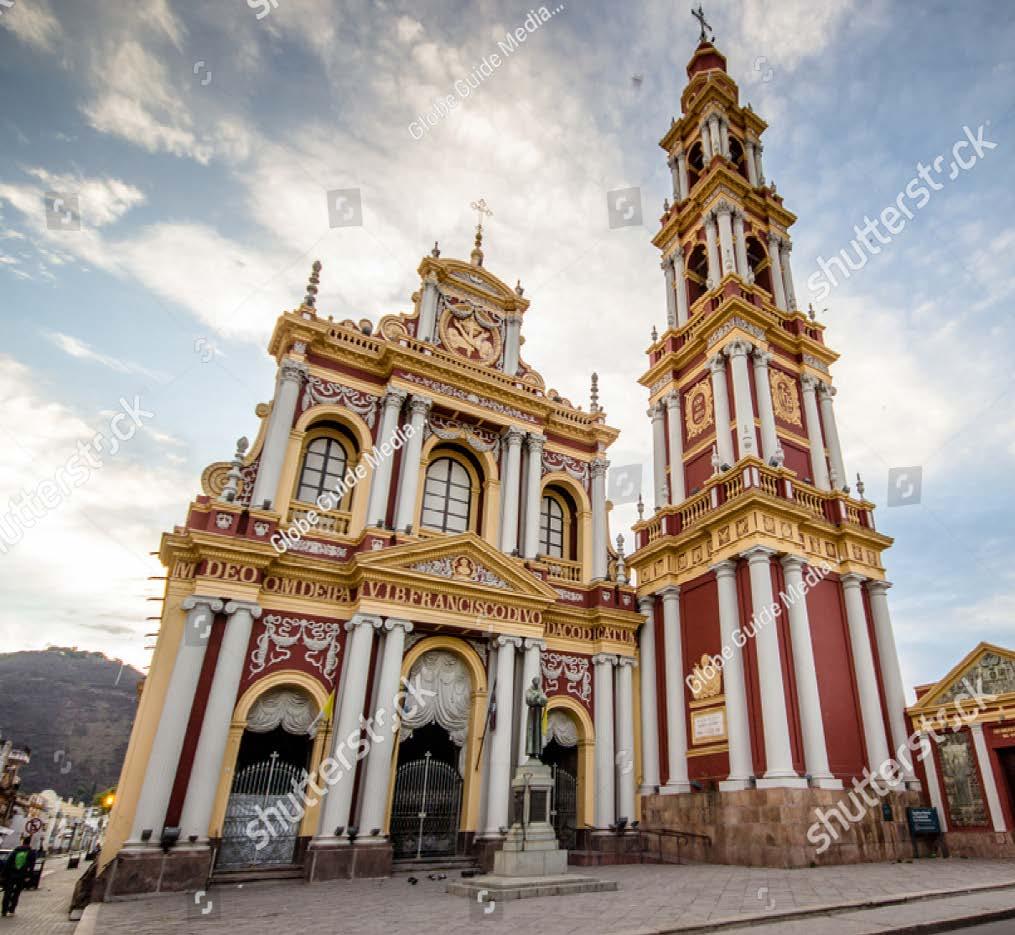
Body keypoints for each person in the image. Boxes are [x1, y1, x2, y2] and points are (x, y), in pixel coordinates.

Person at [1, 837, 36, 917]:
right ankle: (11, 910)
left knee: (7, 892)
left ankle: (4, 911)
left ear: (23, 842)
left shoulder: (15, 851)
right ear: (29, 843)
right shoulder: (31, 853)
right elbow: (32, 865)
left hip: (11, 874)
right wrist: (29, 876)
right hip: (22, 876)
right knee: (17, 893)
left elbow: (8, 863)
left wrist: (3, 875)